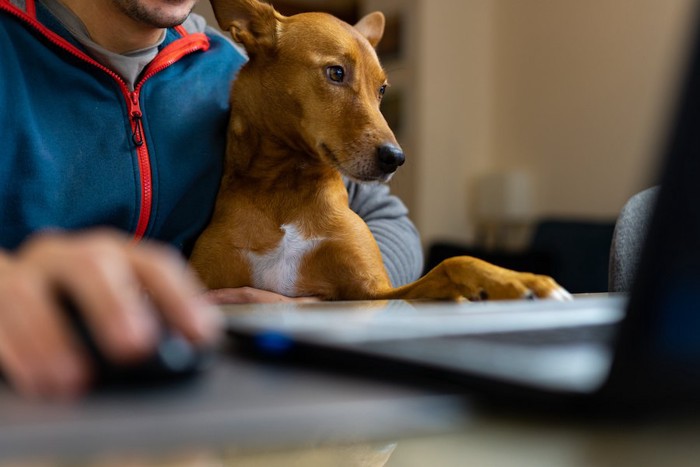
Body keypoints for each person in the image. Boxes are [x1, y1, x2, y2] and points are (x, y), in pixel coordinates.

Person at [0, 0, 423, 399]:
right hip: (31, 397)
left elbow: (384, 218)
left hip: (209, 400)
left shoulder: (247, 75)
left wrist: (318, 303)